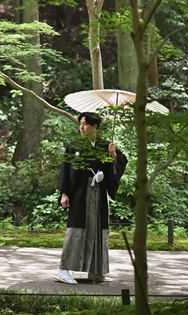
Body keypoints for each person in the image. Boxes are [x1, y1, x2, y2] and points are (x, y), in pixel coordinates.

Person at [56, 112, 128, 285]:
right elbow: (66, 170)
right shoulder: (74, 146)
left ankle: (96, 271)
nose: (81, 127)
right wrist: (64, 193)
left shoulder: (106, 146)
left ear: (94, 126)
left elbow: (121, 164)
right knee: (76, 229)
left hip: (99, 193)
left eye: (85, 124)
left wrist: (113, 155)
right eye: (80, 123)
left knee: (98, 230)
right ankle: (63, 269)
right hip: (79, 193)